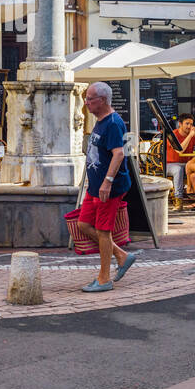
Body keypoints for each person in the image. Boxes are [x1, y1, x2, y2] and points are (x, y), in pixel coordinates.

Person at [80, 82, 138, 292]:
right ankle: (122, 256)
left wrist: (107, 182)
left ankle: (104, 279)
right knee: (84, 225)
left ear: (102, 100)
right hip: (95, 187)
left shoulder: (113, 123)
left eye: (90, 98)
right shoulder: (100, 121)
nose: (86, 103)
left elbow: (119, 153)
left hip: (108, 188)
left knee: (104, 231)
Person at [164, 113, 195, 199]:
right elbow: (180, 150)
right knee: (178, 169)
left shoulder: (192, 134)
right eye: (187, 124)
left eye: (191, 124)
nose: (189, 126)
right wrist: (190, 136)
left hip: (187, 164)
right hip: (170, 164)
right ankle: (178, 198)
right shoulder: (172, 135)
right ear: (180, 124)